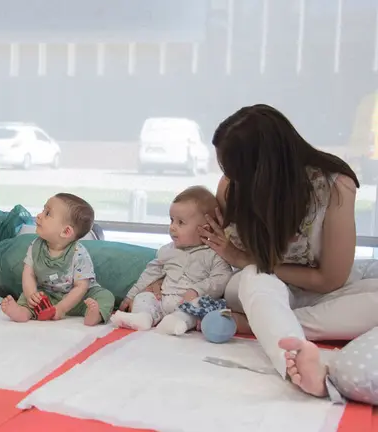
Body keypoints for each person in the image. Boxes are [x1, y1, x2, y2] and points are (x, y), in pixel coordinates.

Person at [196, 103, 378, 401]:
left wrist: (245, 258)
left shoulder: (334, 186)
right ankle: (299, 368)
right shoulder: (232, 186)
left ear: (261, 166)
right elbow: (218, 251)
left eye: (234, 169)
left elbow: (331, 278)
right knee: (256, 277)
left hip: (322, 291)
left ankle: (253, 322)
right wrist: (243, 261)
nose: (228, 177)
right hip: (258, 287)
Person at [111, 186, 232, 335]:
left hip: (188, 302)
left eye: (181, 222)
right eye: (171, 220)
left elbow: (222, 278)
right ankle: (143, 317)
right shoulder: (167, 251)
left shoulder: (213, 254)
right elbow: (149, 274)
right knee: (145, 297)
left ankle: (176, 322)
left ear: (205, 229)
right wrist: (131, 296)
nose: (172, 227)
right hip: (162, 299)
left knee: (198, 307)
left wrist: (197, 290)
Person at [0, 193, 115, 326]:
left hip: (77, 298)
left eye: (47, 213)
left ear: (66, 232)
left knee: (106, 296)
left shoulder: (78, 253)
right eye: (43, 210)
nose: (39, 215)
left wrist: (61, 308)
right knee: (28, 297)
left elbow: (81, 287)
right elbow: (28, 274)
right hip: (48, 295)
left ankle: (95, 314)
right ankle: (23, 312)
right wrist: (31, 294)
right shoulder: (35, 246)